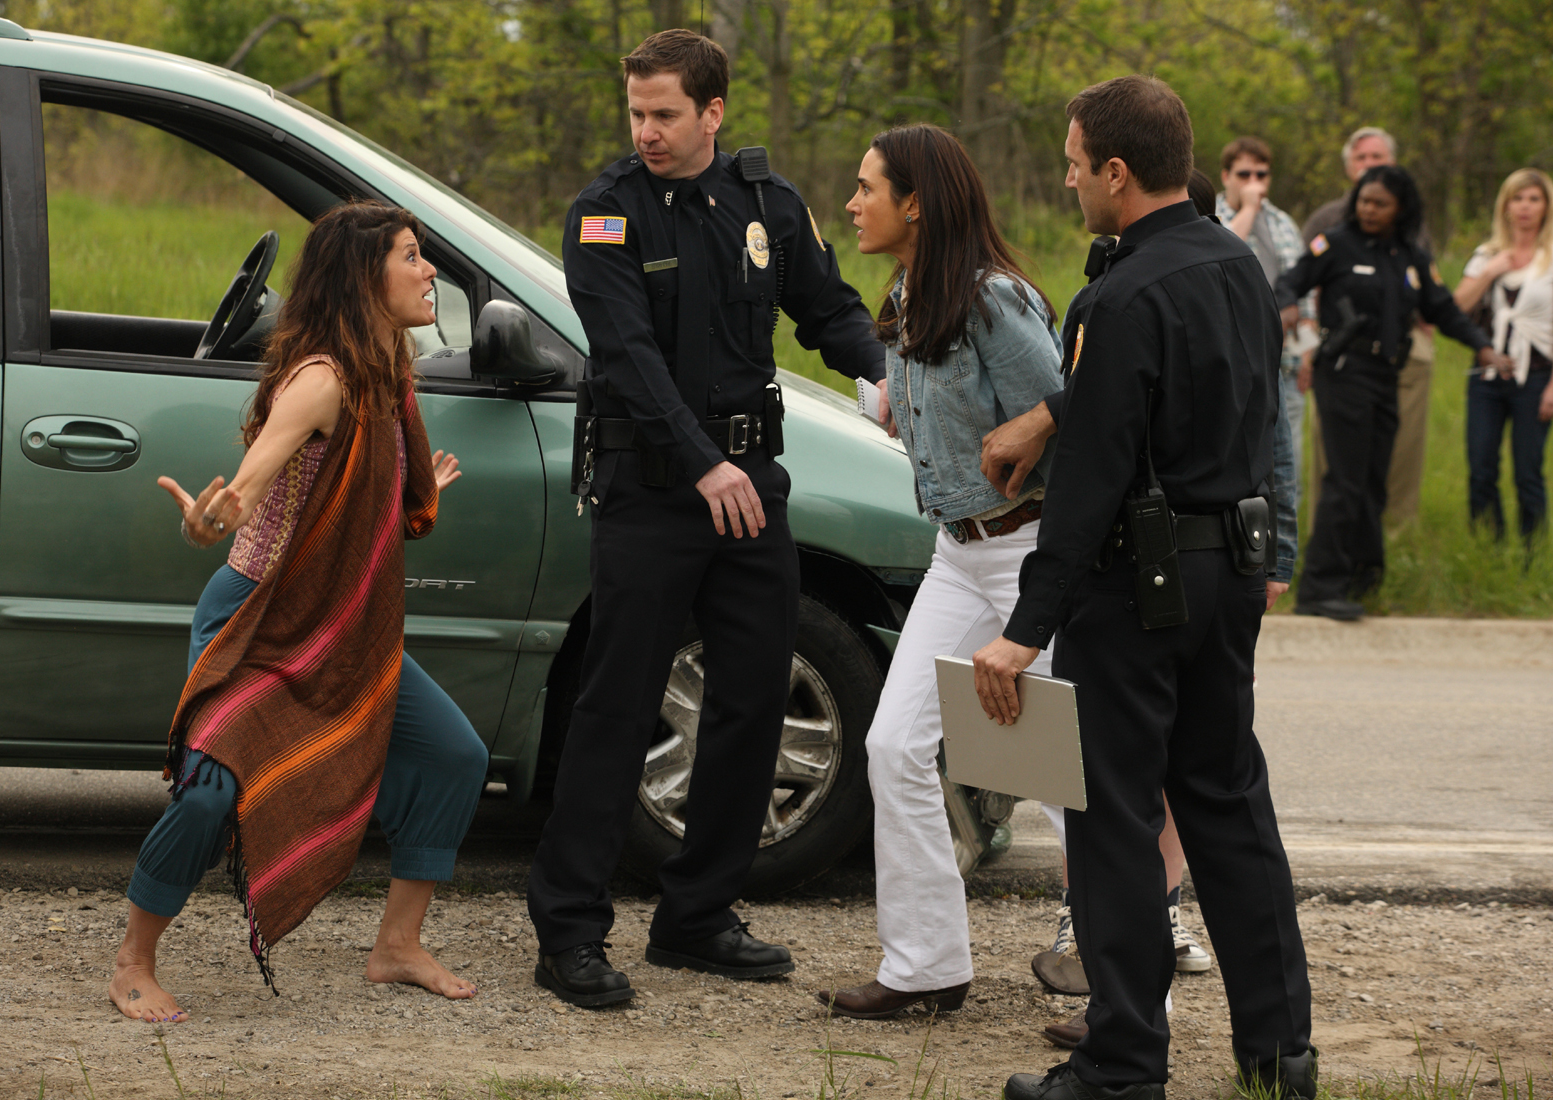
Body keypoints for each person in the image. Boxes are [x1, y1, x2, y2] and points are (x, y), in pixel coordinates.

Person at [973, 75, 1315, 1100]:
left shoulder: (1119, 296)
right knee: (1227, 802)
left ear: (1116, 172)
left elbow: (1091, 485)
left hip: (1136, 588)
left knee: (1115, 818)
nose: (1071, 180)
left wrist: (1022, 631)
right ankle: (1278, 1052)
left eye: (1076, 165)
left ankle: (1121, 1063)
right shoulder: (1237, 267)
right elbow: (1226, 409)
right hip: (1230, 572)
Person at [526, 29, 885, 1008]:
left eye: (665, 113)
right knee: (618, 702)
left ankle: (698, 914)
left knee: (754, 694)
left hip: (747, 482)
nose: (646, 130)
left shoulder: (766, 204)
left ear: (713, 112)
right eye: (636, 112)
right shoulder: (605, 215)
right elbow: (628, 356)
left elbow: (828, 309)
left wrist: (887, 371)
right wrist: (703, 464)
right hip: (653, 491)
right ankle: (569, 929)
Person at [109, 201, 489, 1023]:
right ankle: (134, 958)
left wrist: (404, 496)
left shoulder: (390, 363)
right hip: (257, 618)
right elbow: (249, 482)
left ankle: (396, 945)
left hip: (339, 628)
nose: (430, 272)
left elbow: (363, 490)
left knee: (456, 754)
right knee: (210, 795)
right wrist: (211, 518)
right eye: (413, 257)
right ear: (364, 277)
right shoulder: (322, 380)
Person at [810, 124, 1063, 1021]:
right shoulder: (910, 295)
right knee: (893, 747)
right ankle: (925, 966)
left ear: (916, 201)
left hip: (1035, 552)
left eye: (866, 187)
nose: (853, 202)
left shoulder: (994, 301)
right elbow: (912, 411)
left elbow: (1070, 411)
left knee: (1064, 775)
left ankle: (1126, 978)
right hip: (958, 554)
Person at [1276, 166, 1507, 620]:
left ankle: (1365, 581)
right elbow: (1291, 280)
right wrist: (1286, 304)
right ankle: (1319, 588)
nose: (1368, 209)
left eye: (1379, 203)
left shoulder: (1410, 256)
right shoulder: (1335, 243)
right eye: (1364, 200)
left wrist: (1482, 347)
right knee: (1344, 479)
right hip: (1343, 372)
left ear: (1401, 207)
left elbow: (1442, 308)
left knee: (1373, 482)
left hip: (1385, 376)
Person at [1300, 127, 1432, 528]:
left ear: (1392, 164)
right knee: (1334, 448)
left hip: (1402, 343)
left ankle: (1393, 527)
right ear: (1348, 167)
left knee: (1400, 444)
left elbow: (1426, 284)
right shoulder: (1326, 219)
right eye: (1362, 158)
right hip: (1338, 345)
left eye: (1377, 158)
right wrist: (1307, 343)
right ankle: (1330, 526)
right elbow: (1301, 285)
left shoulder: (1411, 220)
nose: (1369, 165)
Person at [1452, 168, 1553, 541]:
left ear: (1546, 206)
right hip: (1487, 378)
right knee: (1481, 467)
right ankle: (1487, 545)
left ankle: (1532, 551)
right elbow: (1456, 307)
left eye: (1533, 199)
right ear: (1505, 205)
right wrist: (1491, 271)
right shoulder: (1487, 254)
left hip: (1538, 376)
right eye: (1517, 198)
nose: (1525, 207)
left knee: (1528, 470)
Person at [1217, 137, 1312, 466]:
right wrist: (1249, 209)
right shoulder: (1210, 216)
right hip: (1234, 366)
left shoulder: (1283, 222)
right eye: (1244, 175)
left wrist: (1308, 352)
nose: (1254, 183)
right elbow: (1220, 251)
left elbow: (1305, 291)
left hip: (1285, 363)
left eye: (1262, 175)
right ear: (1226, 176)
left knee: (1289, 463)